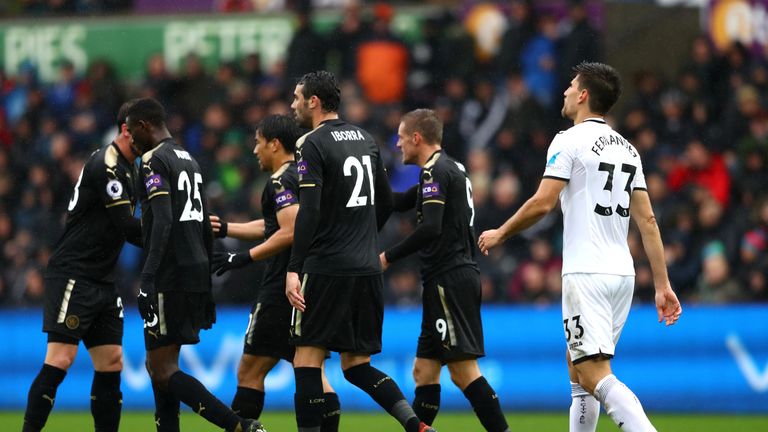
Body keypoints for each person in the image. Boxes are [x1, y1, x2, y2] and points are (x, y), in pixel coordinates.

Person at [478, 62, 682, 432]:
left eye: (571, 86)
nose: (566, 92)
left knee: (593, 373)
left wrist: (501, 233)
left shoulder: (568, 140)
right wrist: (662, 284)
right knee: (578, 368)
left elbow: (543, 202)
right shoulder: (629, 150)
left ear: (584, 95)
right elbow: (648, 221)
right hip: (622, 274)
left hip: (586, 271)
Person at [284, 71, 435, 432]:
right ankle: (415, 425)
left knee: (306, 359)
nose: (292, 105)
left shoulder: (310, 143)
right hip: (366, 267)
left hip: (325, 267)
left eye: (297, 97)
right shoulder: (366, 139)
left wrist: (294, 267)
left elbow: (311, 210)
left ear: (314, 102)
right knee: (357, 365)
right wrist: (362, 237)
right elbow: (386, 203)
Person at [127, 97, 265, 432]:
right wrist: (205, 284)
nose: (130, 139)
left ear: (145, 126)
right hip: (193, 270)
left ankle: (239, 426)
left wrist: (147, 277)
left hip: (168, 272)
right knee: (161, 364)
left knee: (161, 368)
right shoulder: (190, 160)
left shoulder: (152, 161)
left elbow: (160, 222)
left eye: (132, 131)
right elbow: (204, 223)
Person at [380, 108, 511, 432]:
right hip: (447, 278)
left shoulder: (434, 172)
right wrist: (370, 179)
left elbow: (431, 229)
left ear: (416, 138)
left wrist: (388, 257)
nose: (397, 145)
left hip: (448, 279)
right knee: (424, 372)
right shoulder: (452, 168)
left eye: (400, 137)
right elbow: (398, 202)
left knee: (463, 372)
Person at [210, 114, 340, 431]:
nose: (255, 150)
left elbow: (290, 230)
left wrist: (241, 259)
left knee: (250, 371)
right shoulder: (306, 176)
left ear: (274, 144)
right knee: (311, 369)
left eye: (258, 143)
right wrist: (228, 228)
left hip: (281, 286)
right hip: (314, 282)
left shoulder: (281, 180)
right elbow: (275, 226)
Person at [23, 100, 142, 432]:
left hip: (102, 279)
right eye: (147, 131)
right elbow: (126, 226)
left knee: (112, 362)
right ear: (127, 130)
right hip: (74, 274)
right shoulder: (107, 164)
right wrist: (175, 239)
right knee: (60, 359)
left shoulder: (131, 167)